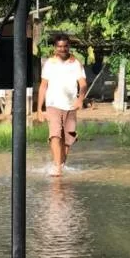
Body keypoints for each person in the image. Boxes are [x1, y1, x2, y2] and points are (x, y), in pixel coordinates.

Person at [36, 34, 87, 176]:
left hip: (70, 106)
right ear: (55, 47)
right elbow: (43, 86)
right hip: (53, 104)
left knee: (68, 139)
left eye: (65, 46)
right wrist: (39, 109)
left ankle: (60, 164)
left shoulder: (76, 63)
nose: (62, 49)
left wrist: (80, 99)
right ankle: (57, 167)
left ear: (69, 46)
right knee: (55, 135)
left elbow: (83, 84)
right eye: (59, 46)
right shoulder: (49, 63)